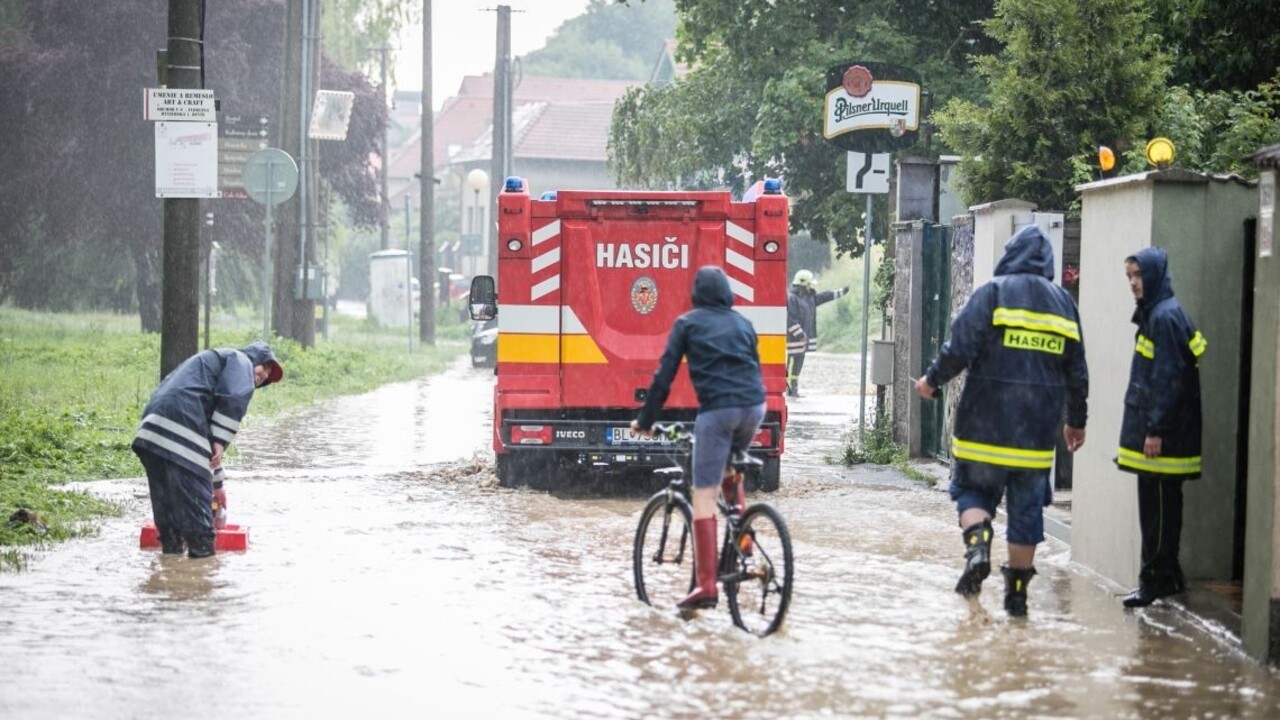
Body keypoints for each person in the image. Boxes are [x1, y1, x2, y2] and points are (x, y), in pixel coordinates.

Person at [914, 225, 1088, 617]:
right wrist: (1076, 421)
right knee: (1027, 512)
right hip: (1035, 435)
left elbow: (959, 347)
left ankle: (977, 549)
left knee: (972, 493)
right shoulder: (1063, 303)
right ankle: (1018, 599)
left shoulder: (992, 293)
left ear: (1010, 254)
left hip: (982, 428)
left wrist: (930, 381)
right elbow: (1078, 372)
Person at [631, 266, 766, 610]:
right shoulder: (743, 323)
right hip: (755, 408)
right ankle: (744, 534)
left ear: (697, 294)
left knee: (703, 497)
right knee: (728, 471)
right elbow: (753, 365)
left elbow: (665, 375)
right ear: (727, 293)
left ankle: (707, 586)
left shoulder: (688, 324)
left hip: (718, 412)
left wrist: (646, 420)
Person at [132, 341, 283, 558]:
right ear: (254, 359)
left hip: (150, 435)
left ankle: (168, 576)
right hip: (180, 430)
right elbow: (232, 402)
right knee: (200, 531)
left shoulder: (206, 371)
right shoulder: (241, 361)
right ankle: (200, 581)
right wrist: (221, 440)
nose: (264, 376)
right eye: (265, 367)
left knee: (169, 526)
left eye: (268, 376)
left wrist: (218, 485)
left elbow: (206, 444)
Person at [1115, 247, 1205, 607]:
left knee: (1158, 513)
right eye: (1129, 277)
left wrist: (1155, 431)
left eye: (1138, 276)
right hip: (1165, 433)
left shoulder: (1165, 318)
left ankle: (1155, 581)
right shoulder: (1160, 313)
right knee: (1161, 509)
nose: (1134, 283)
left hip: (1165, 439)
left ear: (1154, 275)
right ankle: (1169, 575)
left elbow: (1168, 380)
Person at [785, 269, 848, 397]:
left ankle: (794, 389)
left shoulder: (809, 297)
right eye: (809, 284)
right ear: (803, 284)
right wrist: (800, 334)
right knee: (791, 364)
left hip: (803, 339)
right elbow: (791, 320)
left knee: (798, 364)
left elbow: (825, 296)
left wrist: (842, 292)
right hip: (794, 339)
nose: (811, 286)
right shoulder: (792, 298)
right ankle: (790, 389)